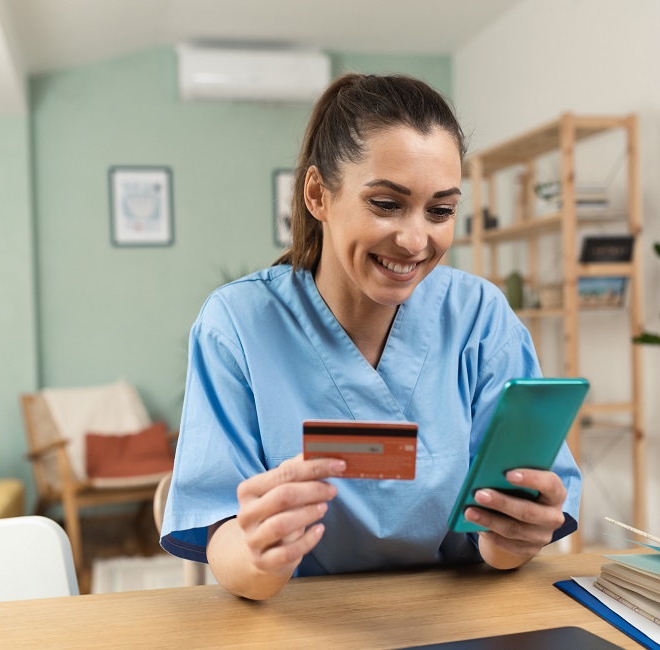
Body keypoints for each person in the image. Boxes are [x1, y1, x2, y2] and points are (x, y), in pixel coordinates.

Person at [160, 73, 581, 600]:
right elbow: (222, 527)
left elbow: (497, 542)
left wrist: (515, 535)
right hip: (302, 619)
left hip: (453, 614)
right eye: (386, 204)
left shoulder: (479, 316)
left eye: (441, 211)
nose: (414, 239)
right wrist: (259, 553)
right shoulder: (238, 324)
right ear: (318, 194)